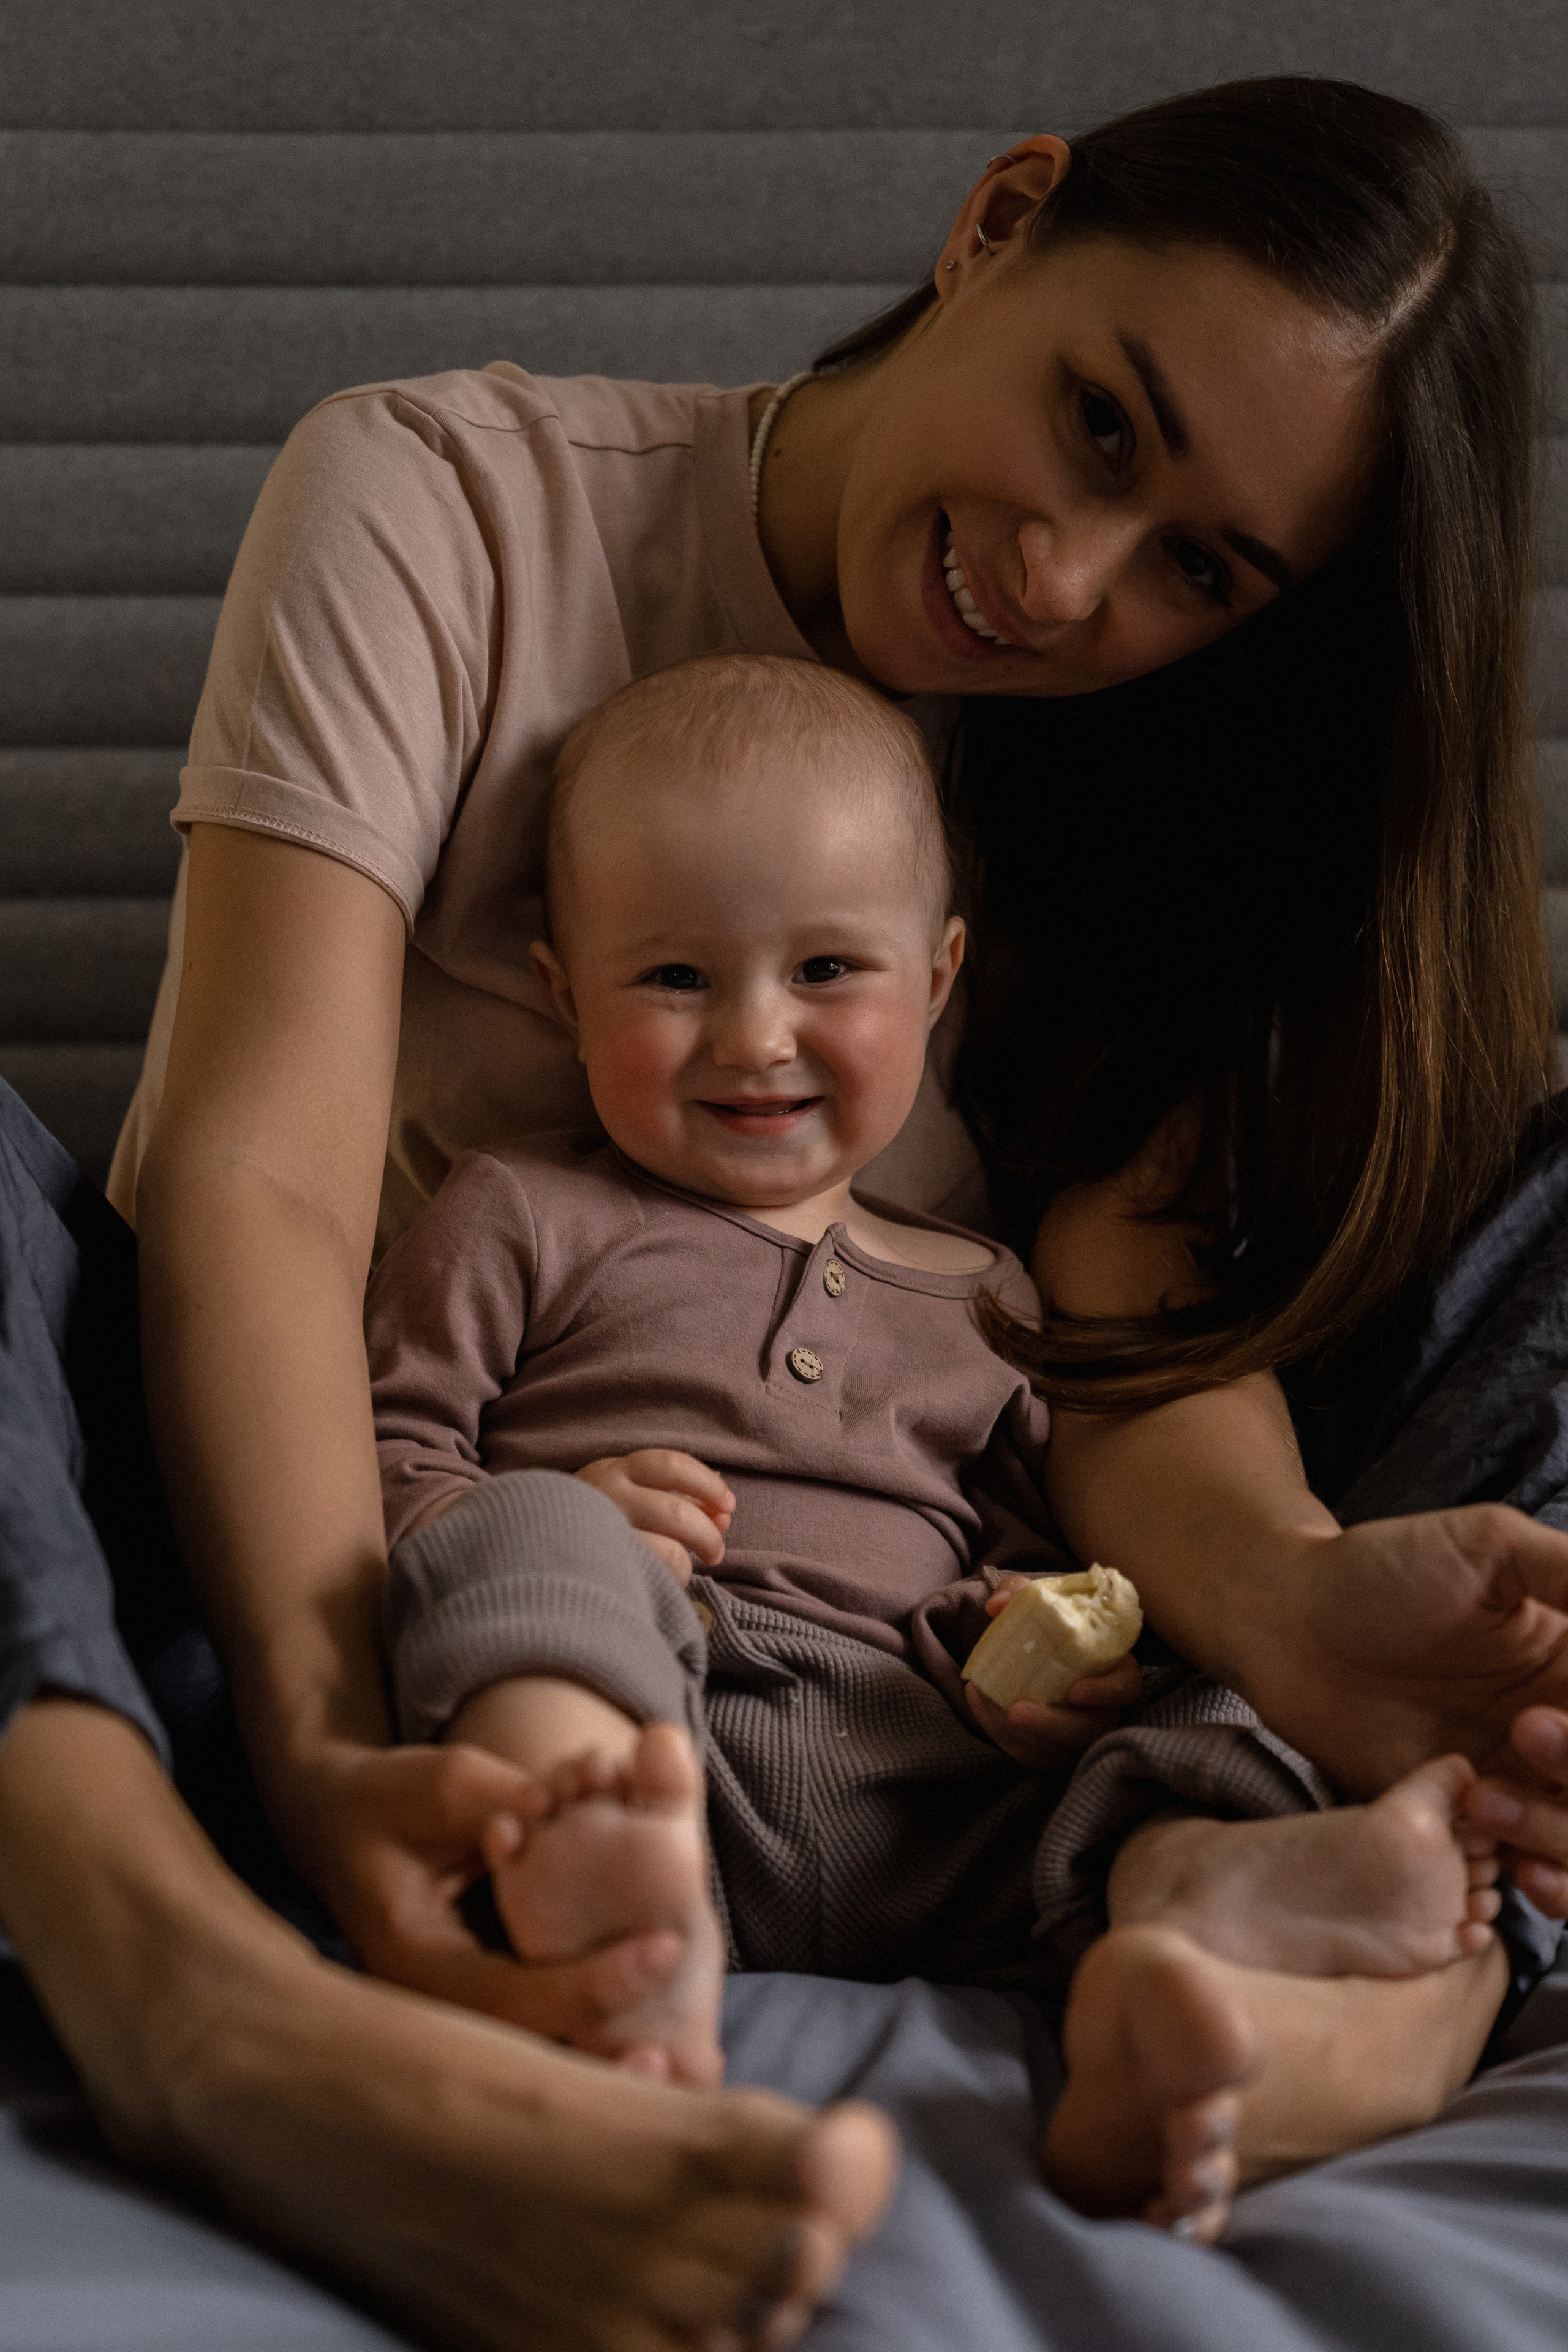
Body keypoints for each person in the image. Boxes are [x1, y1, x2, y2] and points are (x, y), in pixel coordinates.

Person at [5, 70, 1568, 2352]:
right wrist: (348, 1740)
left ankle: (1338, 1971)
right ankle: (192, 1994)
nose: (1060, 584)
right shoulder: (453, 492)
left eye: (1199, 570)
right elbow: (257, 1176)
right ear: (1002, 221)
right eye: (1104, 427)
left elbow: (1121, 1368)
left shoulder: (1139, 785)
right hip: (329, 1566)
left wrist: (1297, 1603)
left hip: (902, 1682)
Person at [367, 649, 1506, 2245]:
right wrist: (537, 1515)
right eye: (676, 981)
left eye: (828, 969)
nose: (755, 1037)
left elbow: (1045, 1549)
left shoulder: (988, 1295)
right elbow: (385, 1456)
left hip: (926, 1780)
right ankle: (606, 1904)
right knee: (520, 1550)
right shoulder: (519, 1214)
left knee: (1219, 1684)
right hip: (657, 1706)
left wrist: (1035, 1647)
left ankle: (1185, 1920)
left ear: (941, 973)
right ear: (565, 992)